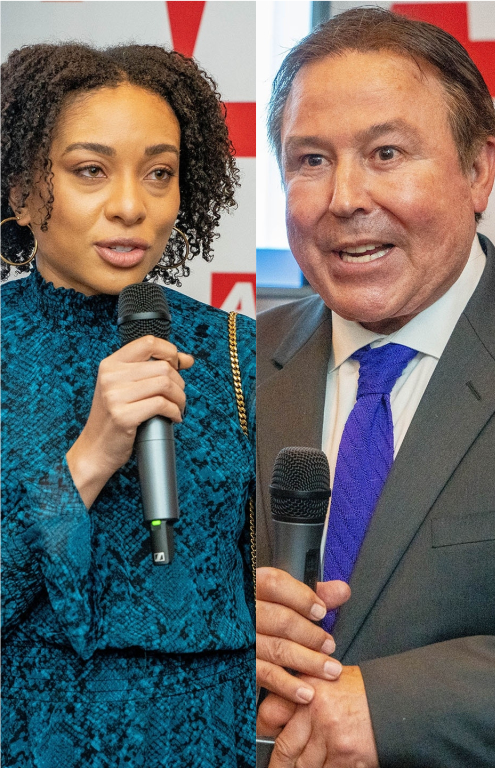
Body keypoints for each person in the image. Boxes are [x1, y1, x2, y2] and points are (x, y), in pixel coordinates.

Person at [253, 8, 495, 768]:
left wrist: (397, 708)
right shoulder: (228, 370)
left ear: (478, 171)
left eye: (387, 152)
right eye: (310, 161)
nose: (345, 198)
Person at [0, 43, 254, 766]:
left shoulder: (236, 352)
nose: (130, 206)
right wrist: (88, 458)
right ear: (22, 189)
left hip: (213, 739)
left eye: (159, 173)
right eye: (90, 170)